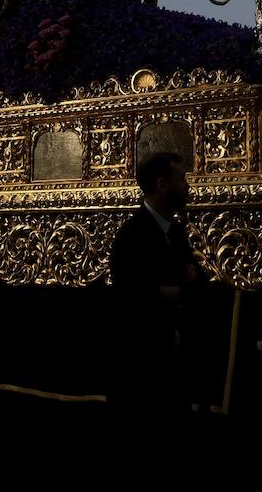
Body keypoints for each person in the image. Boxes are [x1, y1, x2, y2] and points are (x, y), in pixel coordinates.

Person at [107, 152, 204, 477]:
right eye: (182, 179)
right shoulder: (131, 235)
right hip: (142, 366)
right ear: (162, 185)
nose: (187, 186)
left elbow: (195, 279)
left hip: (172, 361)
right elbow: (131, 294)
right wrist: (171, 290)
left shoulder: (175, 232)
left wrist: (171, 289)